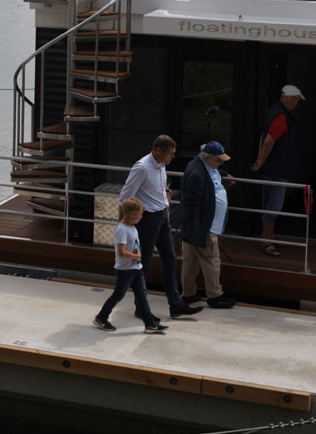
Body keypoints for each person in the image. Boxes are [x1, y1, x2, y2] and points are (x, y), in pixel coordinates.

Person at [120, 135, 200, 319]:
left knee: (170, 260)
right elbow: (125, 197)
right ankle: (141, 308)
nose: (173, 157)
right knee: (143, 264)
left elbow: (161, 184)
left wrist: (167, 192)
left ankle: (176, 305)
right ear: (158, 151)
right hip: (147, 220)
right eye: (170, 154)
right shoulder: (142, 168)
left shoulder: (161, 164)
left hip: (162, 217)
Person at [94, 199, 165, 334]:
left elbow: (135, 245)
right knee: (118, 295)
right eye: (140, 214)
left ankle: (150, 324)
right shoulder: (122, 230)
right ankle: (101, 317)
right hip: (125, 271)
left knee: (142, 296)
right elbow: (122, 253)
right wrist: (137, 256)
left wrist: (137, 253)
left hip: (136, 268)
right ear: (132, 214)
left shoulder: (133, 227)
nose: (142, 217)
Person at [179, 141, 236, 309]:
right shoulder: (197, 175)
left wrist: (224, 175)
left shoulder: (206, 166)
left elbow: (214, 174)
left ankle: (188, 294)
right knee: (212, 260)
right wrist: (197, 230)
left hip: (197, 227)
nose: (221, 163)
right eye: (218, 160)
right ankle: (215, 296)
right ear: (207, 157)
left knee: (190, 261)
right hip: (204, 227)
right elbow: (191, 205)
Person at [251, 84, 305, 256]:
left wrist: (260, 158)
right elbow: (269, 140)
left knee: (272, 204)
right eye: (297, 100)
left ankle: (270, 238)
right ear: (292, 98)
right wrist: (261, 160)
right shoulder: (281, 116)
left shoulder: (274, 111)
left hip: (276, 167)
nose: (297, 104)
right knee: (273, 206)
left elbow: (264, 137)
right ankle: (267, 241)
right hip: (277, 169)